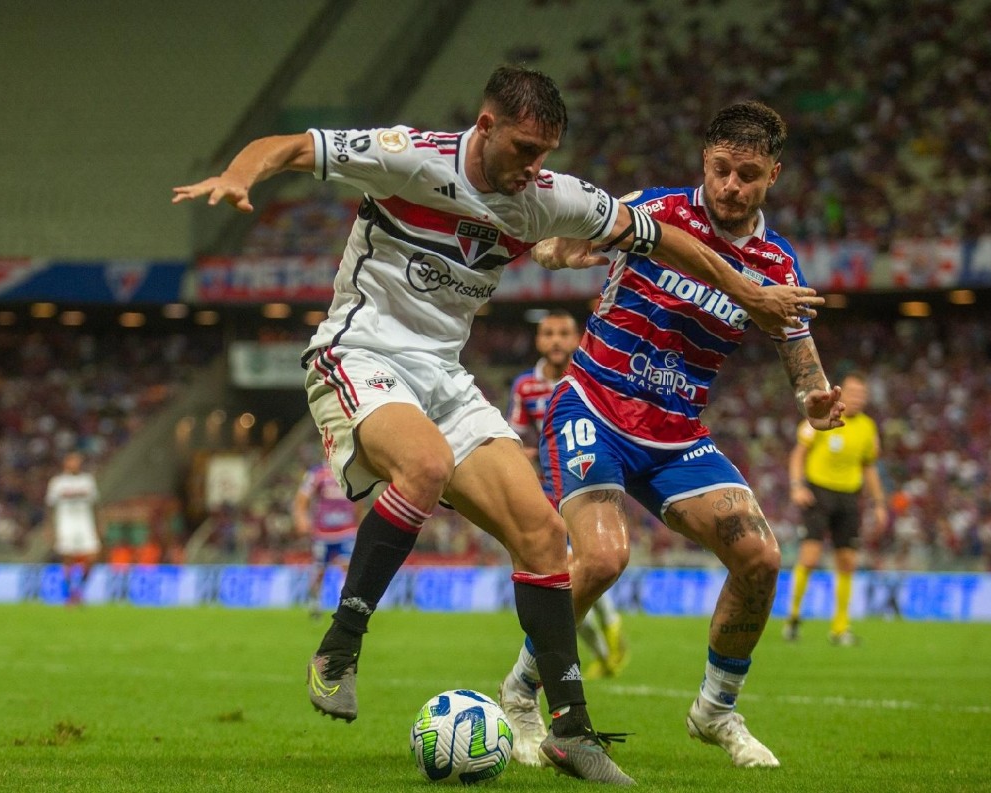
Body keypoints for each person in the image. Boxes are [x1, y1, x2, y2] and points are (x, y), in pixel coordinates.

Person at [174, 66, 820, 784]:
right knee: (423, 465)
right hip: (357, 353)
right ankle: (339, 644)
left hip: (444, 377)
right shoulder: (409, 157)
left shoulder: (545, 194)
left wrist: (744, 289)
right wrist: (238, 176)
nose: (534, 168)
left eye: (545, 154)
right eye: (523, 150)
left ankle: (570, 731)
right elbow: (289, 146)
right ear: (485, 128)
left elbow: (662, 239)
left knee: (543, 536)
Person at [498, 100, 843, 769]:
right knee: (602, 558)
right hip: (593, 405)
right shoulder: (654, 210)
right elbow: (557, 243)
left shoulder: (776, 264)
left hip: (676, 435)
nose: (731, 186)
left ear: (772, 175)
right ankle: (520, 690)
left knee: (761, 557)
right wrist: (561, 250)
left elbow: (800, 356)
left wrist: (814, 399)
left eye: (747, 174)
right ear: (704, 162)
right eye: (721, 169)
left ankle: (715, 710)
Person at [508, 310, 628, 678]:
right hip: (545, 496)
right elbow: (516, 438)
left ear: (577, 339)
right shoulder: (525, 387)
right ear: (538, 341)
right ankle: (605, 648)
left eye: (564, 333)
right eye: (548, 333)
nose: (556, 340)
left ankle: (608, 630)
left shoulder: (590, 378)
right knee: (563, 577)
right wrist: (527, 456)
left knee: (582, 567)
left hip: (585, 489)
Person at [783, 372, 887, 645]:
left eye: (862, 394)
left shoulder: (868, 427)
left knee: (847, 562)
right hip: (818, 493)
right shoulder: (822, 416)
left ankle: (840, 628)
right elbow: (798, 454)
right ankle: (793, 617)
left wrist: (879, 504)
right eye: (853, 392)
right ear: (840, 392)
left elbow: (869, 467)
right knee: (810, 558)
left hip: (849, 497)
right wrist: (796, 486)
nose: (858, 398)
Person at [292, 458, 362, 617]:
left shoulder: (350, 472)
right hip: (323, 533)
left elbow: (359, 499)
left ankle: (345, 606)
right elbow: (302, 498)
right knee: (319, 570)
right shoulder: (317, 473)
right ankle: (315, 602)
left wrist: (357, 523)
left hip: (346, 530)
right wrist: (301, 518)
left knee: (347, 567)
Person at [45, 452, 102, 606]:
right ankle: (71, 594)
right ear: (66, 463)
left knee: (93, 557)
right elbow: (50, 507)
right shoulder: (57, 482)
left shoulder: (87, 481)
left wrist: (99, 526)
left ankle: (79, 590)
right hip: (66, 524)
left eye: (77, 461)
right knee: (68, 560)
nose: (75, 464)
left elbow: (95, 505)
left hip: (85, 524)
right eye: (72, 461)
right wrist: (49, 528)